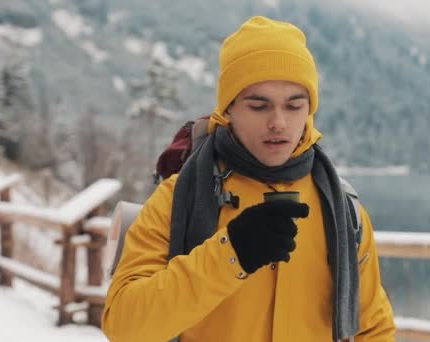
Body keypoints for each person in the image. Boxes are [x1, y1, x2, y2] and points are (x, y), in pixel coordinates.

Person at [102, 16, 395, 341]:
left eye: (295, 106)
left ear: (309, 111)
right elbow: (124, 325)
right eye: (259, 106)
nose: (279, 122)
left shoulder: (343, 210)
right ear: (228, 110)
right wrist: (232, 254)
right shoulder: (177, 199)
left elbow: (373, 330)